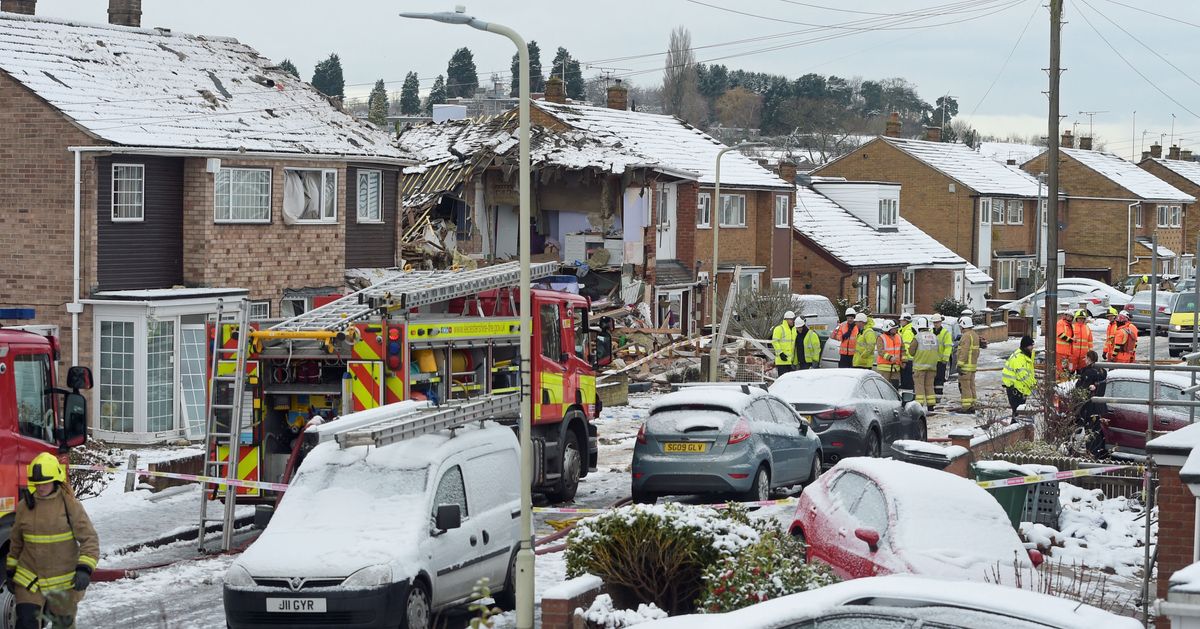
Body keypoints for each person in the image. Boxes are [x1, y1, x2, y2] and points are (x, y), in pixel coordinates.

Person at [6, 453, 99, 629]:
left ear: (56, 480)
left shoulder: (69, 504)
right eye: (38, 483)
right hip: (30, 580)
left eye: (45, 482)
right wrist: (11, 571)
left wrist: (85, 569)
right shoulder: (24, 507)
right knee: (26, 622)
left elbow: (89, 539)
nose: (41, 487)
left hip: (62, 584)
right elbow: (16, 543)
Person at [1073, 350, 1109, 457]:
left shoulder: (1088, 373)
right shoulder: (1102, 372)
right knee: (1096, 429)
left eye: (1085, 358)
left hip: (1089, 406)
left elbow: (1081, 388)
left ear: (1089, 359)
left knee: (1088, 428)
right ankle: (1096, 450)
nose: (1084, 360)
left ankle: (1091, 451)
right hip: (1099, 406)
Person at [1002, 335, 1037, 418]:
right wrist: (1034, 385)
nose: (1032, 347)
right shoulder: (1019, 359)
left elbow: (1029, 373)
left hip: (1019, 390)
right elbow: (1024, 377)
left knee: (1018, 413)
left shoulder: (1025, 355)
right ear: (1025, 346)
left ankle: (1015, 427)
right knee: (1018, 413)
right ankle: (1014, 428)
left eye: (1032, 345)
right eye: (1030, 346)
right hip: (1016, 391)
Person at [909, 317, 941, 408]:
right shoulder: (934, 336)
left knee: (919, 386)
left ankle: (919, 405)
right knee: (929, 385)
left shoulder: (917, 337)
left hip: (920, 366)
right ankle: (931, 405)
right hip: (932, 366)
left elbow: (911, 351)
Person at [955, 316, 980, 413]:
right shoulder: (974, 335)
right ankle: (973, 404)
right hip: (972, 366)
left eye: (961, 326)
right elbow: (977, 352)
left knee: (965, 386)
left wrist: (959, 365)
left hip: (965, 366)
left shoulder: (966, 336)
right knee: (971, 385)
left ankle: (966, 407)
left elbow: (964, 352)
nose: (960, 329)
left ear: (963, 326)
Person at [931, 314, 953, 405]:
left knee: (939, 380)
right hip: (931, 360)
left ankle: (938, 397)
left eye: (937, 322)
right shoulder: (930, 332)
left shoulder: (945, 333)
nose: (936, 324)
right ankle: (932, 396)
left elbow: (948, 347)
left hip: (941, 361)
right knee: (931, 379)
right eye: (934, 322)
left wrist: (945, 358)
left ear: (940, 322)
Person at [875, 320, 903, 388]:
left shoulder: (898, 337)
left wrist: (904, 361)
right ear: (888, 328)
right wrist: (890, 358)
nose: (896, 329)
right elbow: (881, 351)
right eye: (894, 328)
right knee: (883, 387)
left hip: (895, 368)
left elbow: (903, 349)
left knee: (895, 387)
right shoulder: (881, 337)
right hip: (884, 369)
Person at [771, 310, 799, 377]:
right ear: (786, 320)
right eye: (791, 319)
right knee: (783, 380)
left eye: (793, 319)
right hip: (782, 361)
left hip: (791, 361)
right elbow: (775, 342)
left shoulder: (794, 330)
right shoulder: (779, 329)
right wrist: (780, 353)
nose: (793, 321)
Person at [898, 312, 915, 391]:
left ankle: (908, 395)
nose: (900, 322)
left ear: (906, 321)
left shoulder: (907, 332)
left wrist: (904, 359)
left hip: (907, 360)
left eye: (902, 320)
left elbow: (906, 347)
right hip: (907, 359)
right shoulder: (903, 330)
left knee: (907, 381)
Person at [1055, 310, 1074, 379]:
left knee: (1065, 368)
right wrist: (1071, 340)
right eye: (1068, 316)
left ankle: (1063, 381)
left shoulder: (1069, 325)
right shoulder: (1061, 323)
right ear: (1065, 316)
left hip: (1066, 352)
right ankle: (1058, 381)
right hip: (1060, 351)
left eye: (1071, 317)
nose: (1070, 318)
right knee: (1059, 368)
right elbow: (1060, 335)